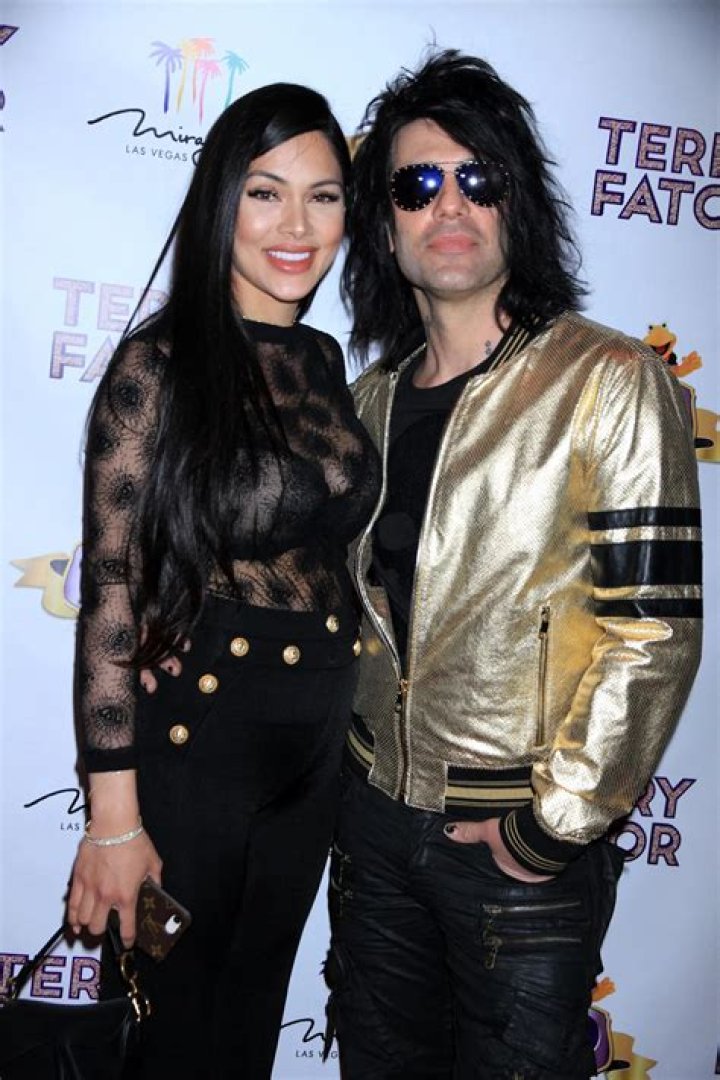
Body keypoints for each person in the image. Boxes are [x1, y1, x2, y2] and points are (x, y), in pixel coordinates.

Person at [324, 50, 703, 1079]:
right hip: (371, 833)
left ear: (516, 203)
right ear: (385, 225)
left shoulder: (610, 379)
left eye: (478, 177)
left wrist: (554, 825)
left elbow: (655, 630)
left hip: (516, 847)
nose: (449, 203)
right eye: (416, 184)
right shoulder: (367, 402)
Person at [66, 82, 380, 1079]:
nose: (297, 226)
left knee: (246, 1032)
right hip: (199, 742)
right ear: (220, 202)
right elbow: (111, 591)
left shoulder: (323, 359)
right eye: (266, 193)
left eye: (324, 197)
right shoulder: (155, 366)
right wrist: (114, 818)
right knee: (170, 1036)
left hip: (315, 747)